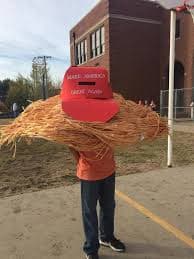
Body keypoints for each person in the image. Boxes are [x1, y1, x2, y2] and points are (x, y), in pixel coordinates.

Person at [60, 66, 125, 259]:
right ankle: (91, 248)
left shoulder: (109, 114)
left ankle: (107, 237)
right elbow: (71, 143)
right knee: (89, 212)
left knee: (108, 206)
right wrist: (81, 161)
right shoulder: (76, 119)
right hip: (88, 173)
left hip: (108, 169)